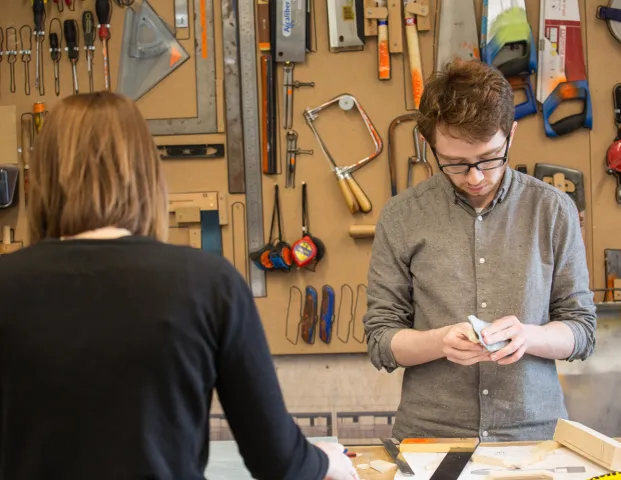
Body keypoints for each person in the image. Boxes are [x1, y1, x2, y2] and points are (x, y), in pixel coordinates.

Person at [0, 92, 358, 480]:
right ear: (147, 175)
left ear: (44, 178)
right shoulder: (208, 284)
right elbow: (279, 461)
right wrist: (328, 461)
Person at [363, 60, 596, 443]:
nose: (474, 177)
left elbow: (582, 330)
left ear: (511, 134)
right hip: (431, 439)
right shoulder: (401, 216)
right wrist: (439, 342)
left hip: (533, 437)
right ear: (430, 145)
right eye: (454, 163)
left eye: (489, 158)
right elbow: (381, 339)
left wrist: (528, 337)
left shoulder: (553, 210)